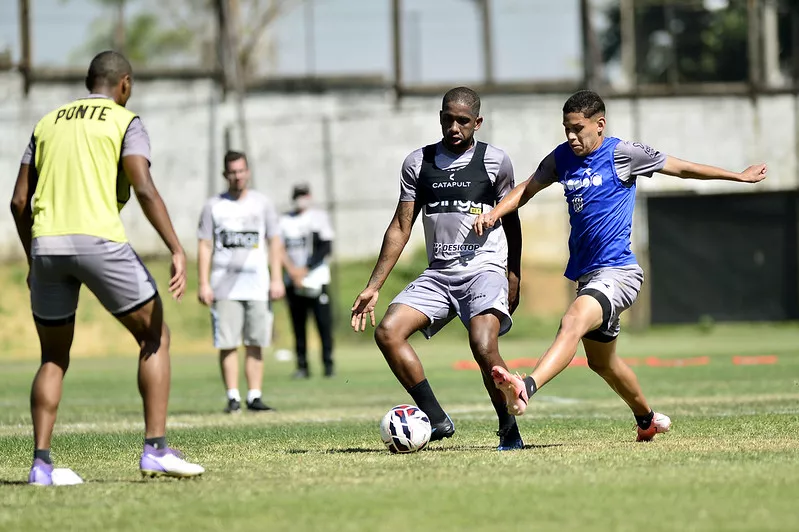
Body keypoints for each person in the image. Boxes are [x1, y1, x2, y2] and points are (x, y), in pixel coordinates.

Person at [475, 89, 767, 441]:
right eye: (566, 128)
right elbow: (526, 189)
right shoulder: (561, 159)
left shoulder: (623, 154)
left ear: (600, 125)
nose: (571, 136)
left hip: (620, 272)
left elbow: (683, 168)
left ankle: (527, 388)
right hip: (588, 276)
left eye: (578, 128)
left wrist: (739, 176)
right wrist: (494, 213)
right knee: (603, 363)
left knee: (572, 322)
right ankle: (647, 419)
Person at [10, 51, 204, 484]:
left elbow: (19, 202)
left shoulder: (46, 123)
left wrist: (32, 257)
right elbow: (143, 185)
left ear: (88, 81)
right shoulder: (124, 121)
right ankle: (155, 449)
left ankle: (41, 465)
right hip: (99, 241)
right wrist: (176, 246)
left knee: (53, 357)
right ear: (125, 84)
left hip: (47, 245)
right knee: (154, 335)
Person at [350, 87, 525, 451]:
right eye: (448, 119)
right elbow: (401, 227)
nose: (454, 127)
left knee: (482, 345)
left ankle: (509, 429)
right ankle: (436, 419)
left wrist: (513, 274)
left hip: (484, 269)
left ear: (477, 123)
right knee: (388, 332)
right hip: (439, 273)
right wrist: (373, 286)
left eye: (463, 121)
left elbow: (512, 220)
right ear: (440, 117)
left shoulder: (495, 161)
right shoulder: (418, 163)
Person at [197, 150, 285, 414]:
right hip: (224, 284)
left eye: (241, 170)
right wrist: (203, 283)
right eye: (232, 172)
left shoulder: (262, 203)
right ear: (225, 174)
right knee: (227, 342)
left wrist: (277, 278)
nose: (237, 176)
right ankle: (233, 397)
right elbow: (204, 244)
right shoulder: (213, 206)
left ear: (248, 172)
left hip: (257, 284)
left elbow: (274, 240)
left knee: (256, 340)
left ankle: (255, 396)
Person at [279, 184, 336, 379]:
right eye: (297, 196)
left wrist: (306, 268)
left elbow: (326, 247)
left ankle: (328, 365)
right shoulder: (285, 220)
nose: (301, 199)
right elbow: (278, 249)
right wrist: (293, 271)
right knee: (298, 326)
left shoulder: (318, 218)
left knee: (323, 324)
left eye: (304, 195)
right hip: (293, 281)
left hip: (316, 280)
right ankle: (302, 366)